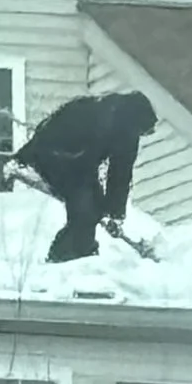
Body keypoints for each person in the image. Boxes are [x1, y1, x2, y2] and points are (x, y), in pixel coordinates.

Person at [9, 90, 158, 262]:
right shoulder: (103, 118)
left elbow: (120, 173)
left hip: (80, 163)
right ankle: (64, 259)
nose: (139, 135)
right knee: (84, 212)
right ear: (135, 122)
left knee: (94, 209)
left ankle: (83, 256)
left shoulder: (116, 120)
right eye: (141, 131)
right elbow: (119, 172)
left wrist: (113, 212)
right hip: (55, 157)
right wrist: (24, 156)